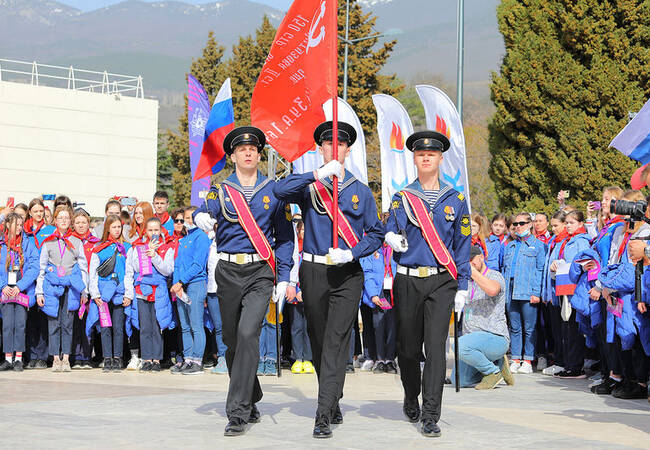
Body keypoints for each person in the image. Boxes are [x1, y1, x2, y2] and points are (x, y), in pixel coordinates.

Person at [274, 121, 382, 438]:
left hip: (347, 273)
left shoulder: (361, 191)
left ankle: (322, 414)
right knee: (319, 341)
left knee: (336, 341)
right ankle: (332, 398)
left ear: (348, 150)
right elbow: (279, 190)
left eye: (340, 145)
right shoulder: (310, 188)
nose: (334, 149)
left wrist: (352, 253)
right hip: (314, 271)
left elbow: (376, 233)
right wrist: (317, 174)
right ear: (320, 149)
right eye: (327, 145)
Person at [195, 126, 294, 436]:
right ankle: (252, 394)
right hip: (227, 271)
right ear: (233, 155)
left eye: (253, 149)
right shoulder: (221, 189)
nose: (248, 152)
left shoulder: (273, 190)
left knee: (249, 332)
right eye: (242, 149)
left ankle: (237, 412)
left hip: (259, 272)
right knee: (233, 341)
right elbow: (207, 208)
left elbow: (286, 237)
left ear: (259, 154)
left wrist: (285, 275)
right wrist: (201, 216)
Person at [384, 130, 470, 438]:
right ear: (415, 159)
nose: (426, 158)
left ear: (440, 159)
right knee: (407, 349)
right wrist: (390, 236)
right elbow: (389, 229)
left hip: (442, 281)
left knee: (435, 349)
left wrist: (463, 286)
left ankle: (431, 413)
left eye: (431, 154)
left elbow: (462, 245)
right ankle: (411, 395)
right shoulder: (402, 197)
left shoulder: (456, 199)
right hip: (408, 280)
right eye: (421, 154)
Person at [35, 205, 88, 372]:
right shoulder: (48, 241)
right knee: (54, 323)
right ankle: (55, 358)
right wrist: (39, 291)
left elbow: (83, 267)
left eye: (66, 218)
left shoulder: (76, 241)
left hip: (70, 287)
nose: (64, 221)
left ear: (70, 220)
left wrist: (84, 290)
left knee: (67, 323)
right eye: (60, 218)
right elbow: (41, 268)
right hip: (51, 287)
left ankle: (66, 357)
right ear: (55, 221)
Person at [454, 246, 512, 389]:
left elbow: (493, 290)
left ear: (481, 257)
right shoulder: (464, 280)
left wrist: (473, 272)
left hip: (494, 336)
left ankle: (492, 372)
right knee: (458, 381)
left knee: (458, 345)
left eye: (471, 260)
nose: (469, 264)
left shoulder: (494, 275)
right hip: (473, 341)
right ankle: (496, 363)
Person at [124, 217, 176, 372]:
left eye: (156, 230)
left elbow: (167, 270)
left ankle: (157, 359)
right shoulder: (136, 247)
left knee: (157, 326)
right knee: (145, 327)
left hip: (159, 292)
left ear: (160, 230)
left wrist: (154, 256)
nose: (153, 233)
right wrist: (145, 254)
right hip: (141, 292)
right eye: (150, 230)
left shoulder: (167, 248)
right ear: (145, 231)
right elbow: (133, 270)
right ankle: (146, 358)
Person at [502, 212, 545, 375]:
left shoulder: (539, 246)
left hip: (528, 291)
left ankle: (527, 359)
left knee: (530, 327)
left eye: (521, 223)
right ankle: (515, 358)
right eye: (515, 224)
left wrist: (536, 292)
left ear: (530, 224)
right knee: (514, 327)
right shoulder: (510, 246)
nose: (518, 227)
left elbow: (540, 270)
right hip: (511, 290)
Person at [549, 210, 591, 378]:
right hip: (565, 287)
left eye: (571, 223)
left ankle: (575, 366)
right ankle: (569, 364)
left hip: (575, 288)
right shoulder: (568, 240)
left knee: (574, 327)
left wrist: (568, 266)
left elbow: (585, 263)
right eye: (566, 222)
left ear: (581, 224)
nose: (567, 226)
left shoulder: (581, 241)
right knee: (566, 327)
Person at [88, 215, 131, 372]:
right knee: (106, 326)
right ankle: (107, 357)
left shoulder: (127, 248)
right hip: (104, 295)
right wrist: (96, 294)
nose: (117, 230)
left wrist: (128, 294)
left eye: (119, 227)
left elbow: (129, 272)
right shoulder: (98, 248)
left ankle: (118, 357)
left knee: (119, 327)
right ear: (107, 228)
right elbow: (92, 273)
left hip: (120, 294)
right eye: (114, 227)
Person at [170, 206, 210, 375]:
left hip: (195, 284)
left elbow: (198, 264)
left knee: (195, 324)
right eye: (186, 217)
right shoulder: (184, 239)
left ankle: (197, 360)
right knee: (185, 326)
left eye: (192, 217)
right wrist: (175, 284)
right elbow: (178, 264)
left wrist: (181, 281)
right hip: (181, 287)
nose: (188, 220)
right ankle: (188, 359)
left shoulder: (201, 237)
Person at [0, 213, 39, 371]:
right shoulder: (2, 245)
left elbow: (34, 266)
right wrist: (3, 286)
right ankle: (8, 358)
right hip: (6, 291)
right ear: (7, 225)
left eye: (21, 225)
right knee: (8, 324)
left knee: (21, 324)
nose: (19, 228)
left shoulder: (27, 243)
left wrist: (20, 286)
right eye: (16, 224)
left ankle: (18, 358)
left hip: (21, 291)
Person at [24, 198, 55, 369]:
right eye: (35, 211)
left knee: (43, 318)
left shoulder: (50, 230)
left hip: (44, 280)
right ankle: (31, 355)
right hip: (28, 280)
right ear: (30, 212)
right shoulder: (25, 232)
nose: (38, 214)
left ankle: (42, 356)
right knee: (30, 319)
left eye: (41, 211)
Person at [540, 211, 569, 376]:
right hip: (551, 292)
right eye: (552, 225)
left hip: (561, 292)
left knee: (562, 330)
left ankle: (562, 362)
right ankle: (558, 360)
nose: (553, 228)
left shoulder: (565, 242)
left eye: (556, 225)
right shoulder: (554, 241)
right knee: (555, 330)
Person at [70, 210, 99, 369]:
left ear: (89, 224)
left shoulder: (95, 242)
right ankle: (76, 356)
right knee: (75, 323)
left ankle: (87, 356)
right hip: (75, 288)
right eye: (78, 223)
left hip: (91, 286)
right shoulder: (70, 241)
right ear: (73, 224)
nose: (81, 225)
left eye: (84, 222)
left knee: (89, 322)